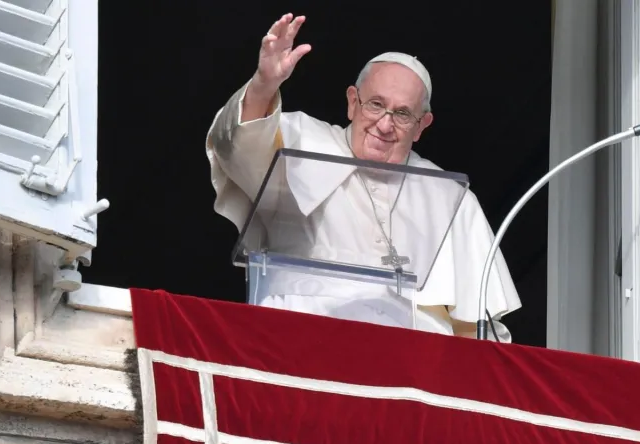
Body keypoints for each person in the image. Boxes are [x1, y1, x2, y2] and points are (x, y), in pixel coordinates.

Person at [205, 13, 521, 341]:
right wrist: (263, 85)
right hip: (301, 341)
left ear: (422, 126)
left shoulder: (450, 197)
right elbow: (236, 148)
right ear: (352, 103)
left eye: (402, 114)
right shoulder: (299, 141)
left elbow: (480, 328)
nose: (385, 125)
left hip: (412, 365)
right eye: (375, 105)